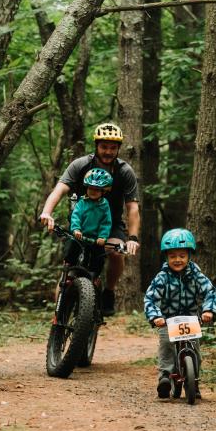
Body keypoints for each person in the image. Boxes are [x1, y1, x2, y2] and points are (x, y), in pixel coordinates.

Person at [40, 123, 140, 316]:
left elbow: (132, 208)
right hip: (81, 224)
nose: (108, 151)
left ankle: (108, 291)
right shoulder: (80, 165)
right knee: (68, 270)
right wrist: (46, 212)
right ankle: (59, 319)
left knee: (116, 253)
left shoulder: (124, 171)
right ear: (96, 146)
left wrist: (133, 238)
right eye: (104, 147)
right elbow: (59, 190)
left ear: (118, 148)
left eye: (112, 148)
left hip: (109, 226)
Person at [143, 228, 216, 399]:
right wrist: (156, 316)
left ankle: (195, 381)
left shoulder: (196, 275)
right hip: (167, 320)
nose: (177, 260)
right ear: (167, 257)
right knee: (166, 343)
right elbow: (150, 298)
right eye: (172, 256)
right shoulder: (162, 277)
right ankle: (165, 376)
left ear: (189, 256)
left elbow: (210, 292)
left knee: (195, 348)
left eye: (182, 256)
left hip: (191, 319)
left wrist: (208, 310)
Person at [66, 168, 114, 278]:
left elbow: (106, 222)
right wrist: (76, 229)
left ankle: (94, 276)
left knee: (99, 256)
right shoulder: (82, 203)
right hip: (80, 235)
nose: (93, 191)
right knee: (72, 247)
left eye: (97, 189)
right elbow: (76, 216)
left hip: (95, 239)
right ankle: (69, 269)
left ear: (103, 191)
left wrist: (102, 236)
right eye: (91, 188)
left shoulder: (104, 205)